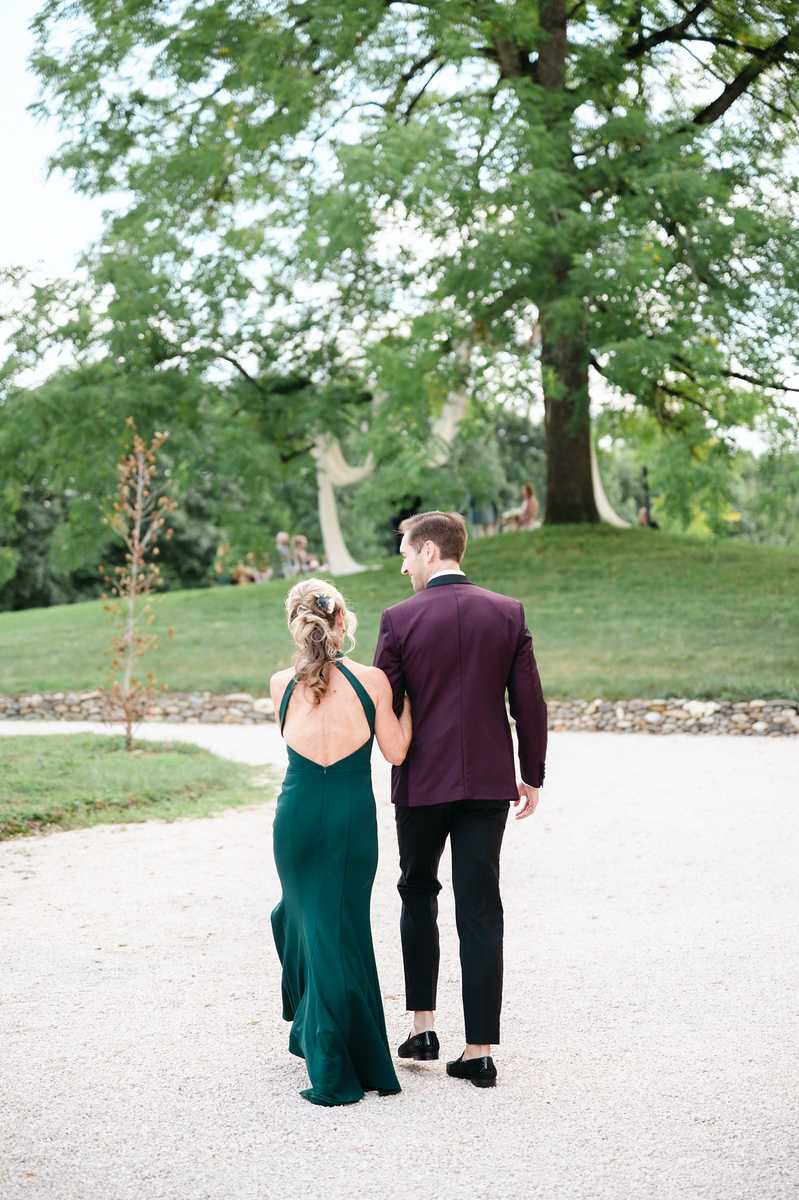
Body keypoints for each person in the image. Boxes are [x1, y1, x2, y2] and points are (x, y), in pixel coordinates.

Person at [373, 510, 547, 1089]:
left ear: (428, 551)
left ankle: (423, 1026)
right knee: (480, 906)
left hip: (421, 783)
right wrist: (533, 774)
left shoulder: (398, 621)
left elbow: (382, 702)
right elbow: (529, 704)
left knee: (417, 889)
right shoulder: (507, 612)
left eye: (404, 551)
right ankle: (480, 1050)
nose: (401, 563)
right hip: (489, 786)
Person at [269, 578, 412, 1106]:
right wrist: (410, 706)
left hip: (298, 816)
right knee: (342, 928)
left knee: (309, 922)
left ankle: (324, 1048)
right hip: (351, 817)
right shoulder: (372, 681)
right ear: (343, 622)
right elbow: (395, 753)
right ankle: (347, 1049)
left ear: (295, 623)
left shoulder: (278, 682)